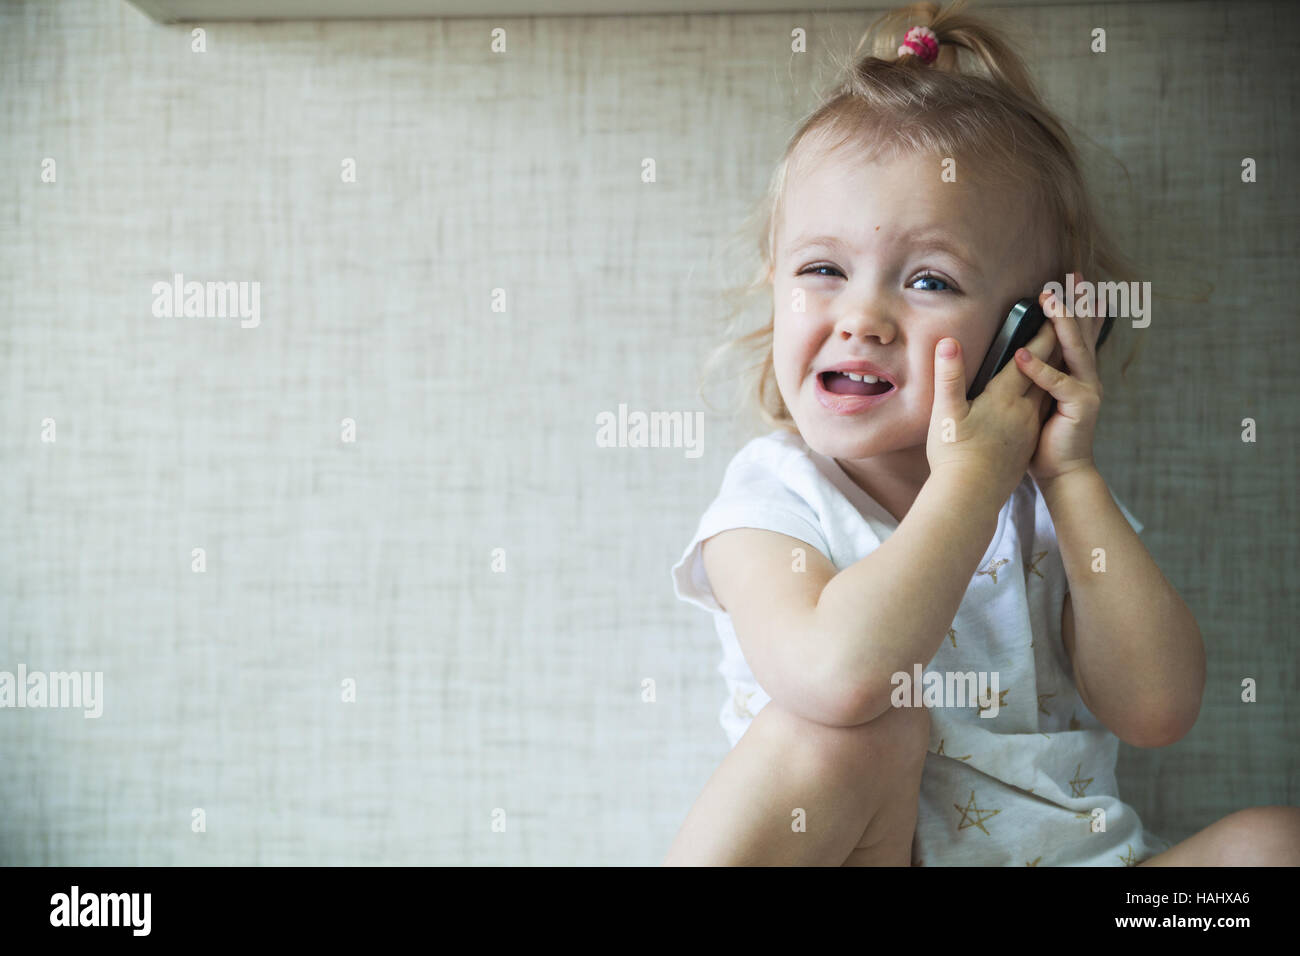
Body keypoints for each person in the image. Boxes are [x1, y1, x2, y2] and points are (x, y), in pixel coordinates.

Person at [663, 0, 1300, 866]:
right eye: (822, 270)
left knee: (1271, 846)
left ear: (1027, 334)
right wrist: (970, 480)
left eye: (928, 280)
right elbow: (838, 675)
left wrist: (1067, 480)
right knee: (851, 732)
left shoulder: (1049, 509)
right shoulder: (772, 497)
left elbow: (1157, 708)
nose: (862, 317)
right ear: (775, 288)